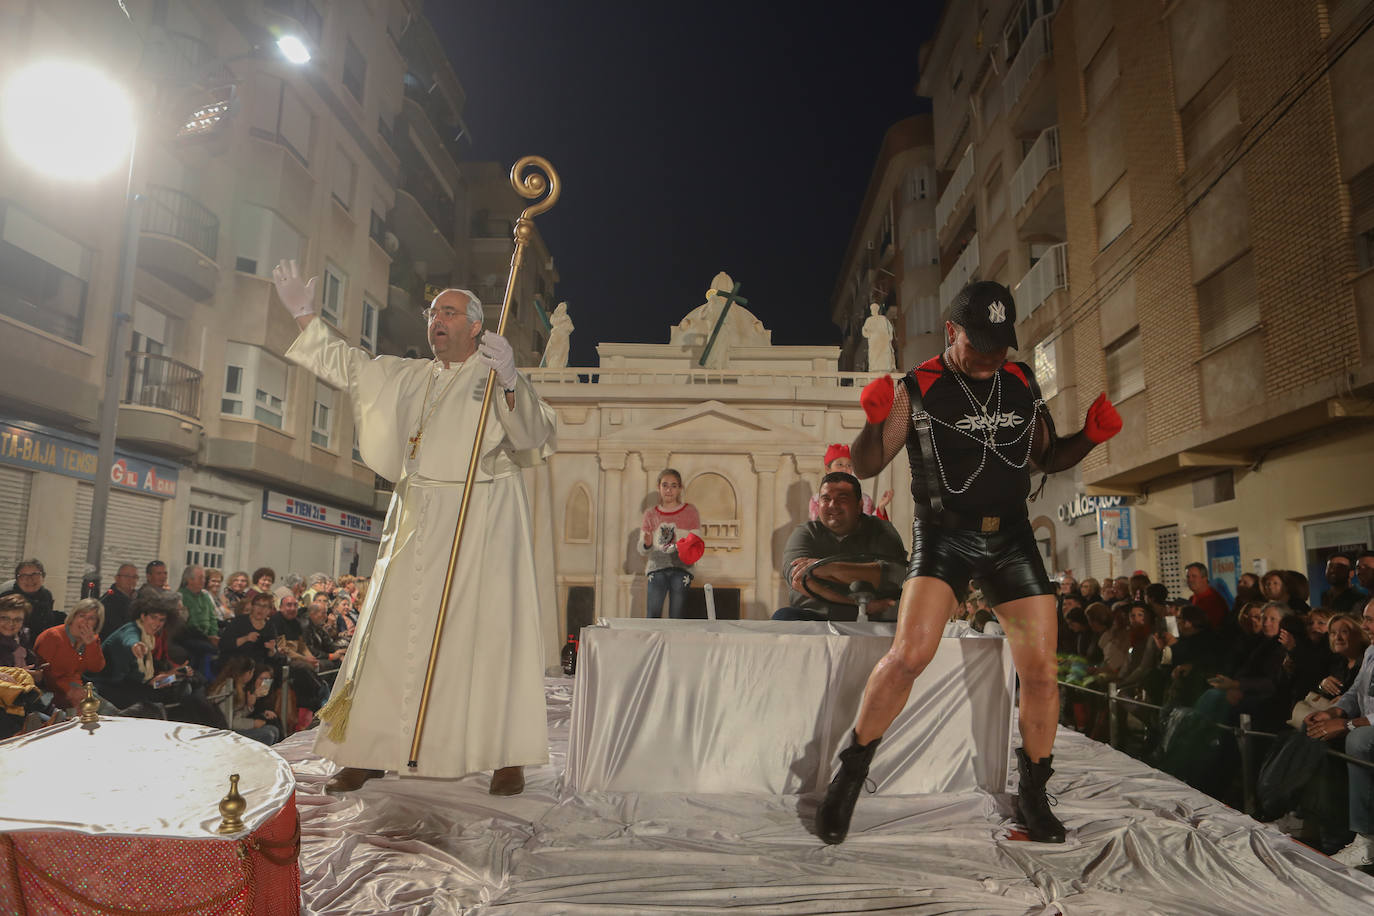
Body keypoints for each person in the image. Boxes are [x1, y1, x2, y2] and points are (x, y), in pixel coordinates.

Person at [816, 279, 1122, 844]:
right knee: (908, 656)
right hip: (944, 538)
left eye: (1000, 345)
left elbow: (1048, 455)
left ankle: (1033, 792)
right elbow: (865, 466)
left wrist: (1091, 438)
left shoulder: (1021, 378)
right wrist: (871, 421)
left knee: (1042, 672)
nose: (990, 357)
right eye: (979, 344)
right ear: (953, 331)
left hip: (1011, 540)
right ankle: (849, 775)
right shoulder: (919, 386)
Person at [274, 259, 554, 797]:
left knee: (489, 636)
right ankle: (370, 750)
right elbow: (351, 367)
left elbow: (532, 434)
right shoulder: (409, 375)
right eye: (432, 313)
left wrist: (514, 380)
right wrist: (305, 315)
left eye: (448, 312)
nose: (436, 321)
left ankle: (506, 757)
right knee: (389, 635)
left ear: (476, 326)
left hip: (481, 518)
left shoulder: (495, 373)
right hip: (416, 516)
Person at [774, 472, 906, 621]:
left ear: (860, 505)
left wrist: (828, 568)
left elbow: (894, 575)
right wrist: (861, 604)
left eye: (842, 498)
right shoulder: (805, 533)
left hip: (875, 621)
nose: (833, 505)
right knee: (784, 617)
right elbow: (798, 579)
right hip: (815, 618)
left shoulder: (880, 529)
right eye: (826, 499)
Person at [1304, 596, 1374, 867]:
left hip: (1367, 729)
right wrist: (1332, 713)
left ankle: (1367, 839)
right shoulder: (1371, 652)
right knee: (1315, 728)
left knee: (1357, 740)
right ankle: (1316, 825)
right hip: (1365, 722)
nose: (1364, 624)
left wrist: (1347, 725)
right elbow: (1355, 692)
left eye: (1369, 619)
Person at [638, 468, 705, 619]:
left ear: (680, 488)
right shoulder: (650, 513)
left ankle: (675, 643)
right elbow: (642, 548)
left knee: (678, 615)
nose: (669, 490)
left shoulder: (690, 511)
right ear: (659, 487)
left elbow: (696, 540)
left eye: (674, 486)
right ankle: (653, 642)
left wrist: (680, 540)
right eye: (665, 485)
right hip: (657, 567)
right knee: (653, 613)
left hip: (681, 568)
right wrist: (647, 543)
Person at [33, 598, 105, 708]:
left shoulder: (92, 639)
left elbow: (96, 668)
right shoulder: (53, 637)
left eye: (91, 618)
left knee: (108, 712)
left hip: (77, 688)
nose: (85, 621)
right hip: (48, 690)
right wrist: (70, 690)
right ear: (73, 617)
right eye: (81, 616)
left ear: (96, 623)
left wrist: (91, 645)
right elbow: (46, 674)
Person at [808, 444, 891, 521]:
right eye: (840, 464)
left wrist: (881, 507)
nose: (845, 469)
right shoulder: (817, 500)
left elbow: (871, 526)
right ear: (827, 469)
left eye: (849, 465)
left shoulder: (864, 499)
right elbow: (818, 530)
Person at [2, 559, 61, 635]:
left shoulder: (46, 595)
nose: (29, 579)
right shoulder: (8, 597)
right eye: (24, 576)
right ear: (17, 580)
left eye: (35, 574)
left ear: (43, 577)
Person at [1185, 562, 1228, 632]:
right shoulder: (1192, 599)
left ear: (1204, 578)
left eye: (1194, 576)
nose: (1190, 580)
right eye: (1188, 577)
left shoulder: (1213, 600)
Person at [100, 563, 139, 639]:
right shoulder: (108, 600)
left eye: (134, 577)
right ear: (117, 578)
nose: (130, 580)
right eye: (127, 576)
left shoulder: (139, 598)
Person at [861, 303, 895, 372]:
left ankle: (884, 368)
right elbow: (864, 331)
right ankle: (875, 369)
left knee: (883, 357)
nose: (873, 310)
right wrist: (869, 335)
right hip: (874, 342)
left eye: (874, 309)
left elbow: (890, 329)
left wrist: (889, 337)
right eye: (873, 309)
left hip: (882, 341)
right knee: (874, 358)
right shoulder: (869, 320)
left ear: (877, 310)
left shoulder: (883, 318)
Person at [543, 301, 574, 369]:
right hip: (556, 335)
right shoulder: (554, 316)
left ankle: (560, 365)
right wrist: (562, 319)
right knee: (552, 350)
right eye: (561, 306)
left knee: (562, 351)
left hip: (563, 336)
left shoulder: (567, 317)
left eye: (564, 307)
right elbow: (553, 321)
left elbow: (571, 328)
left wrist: (566, 326)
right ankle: (552, 365)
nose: (562, 308)